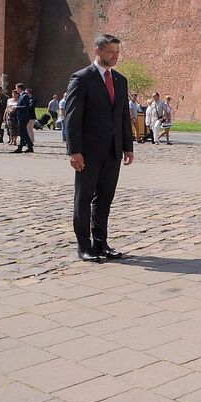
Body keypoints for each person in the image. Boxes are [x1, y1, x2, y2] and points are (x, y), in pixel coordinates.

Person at [64, 34, 134, 262]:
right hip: (88, 152)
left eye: (117, 52)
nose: (115, 56)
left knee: (105, 199)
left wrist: (127, 146)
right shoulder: (82, 78)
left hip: (113, 151)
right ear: (98, 51)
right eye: (110, 52)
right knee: (84, 198)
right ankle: (84, 246)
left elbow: (123, 116)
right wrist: (74, 150)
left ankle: (101, 244)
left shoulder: (120, 80)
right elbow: (72, 118)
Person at [12, 83, 34, 153]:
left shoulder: (25, 96)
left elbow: (25, 106)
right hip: (20, 116)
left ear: (19, 88)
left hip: (23, 117)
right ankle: (30, 147)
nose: (16, 90)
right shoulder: (21, 96)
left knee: (22, 132)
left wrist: (16, 107)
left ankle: (20, 147)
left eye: (16, 88)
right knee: (24, 132)